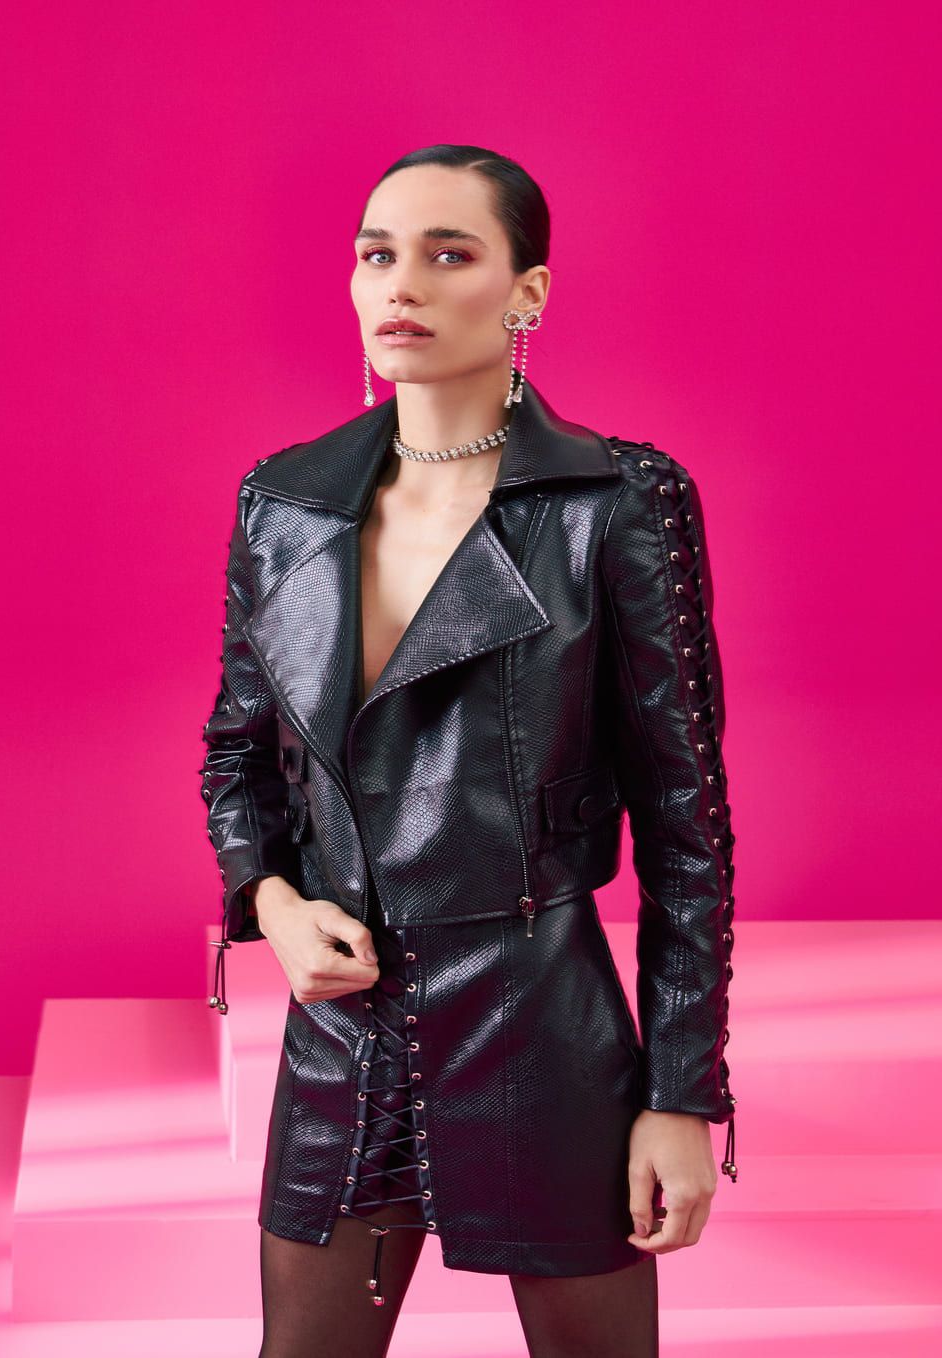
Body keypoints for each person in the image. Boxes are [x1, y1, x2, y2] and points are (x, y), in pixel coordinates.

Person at [199, 143, 738, 1358]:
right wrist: (273, 902)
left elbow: (687, 824)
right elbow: (236, 757)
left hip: (540, 1019)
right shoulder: (283, 501)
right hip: (343, 1028)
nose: (402, 284)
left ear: (525, 291)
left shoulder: (618, 500)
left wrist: (681, 1094)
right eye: (377, 253)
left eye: (449, 254)